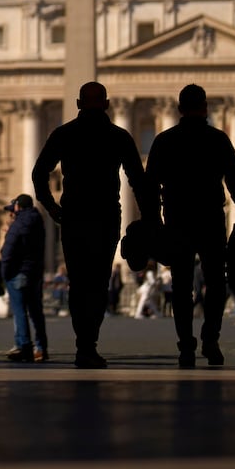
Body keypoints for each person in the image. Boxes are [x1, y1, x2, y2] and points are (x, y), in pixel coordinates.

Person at [32, 80, 155, 368]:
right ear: (108, 105)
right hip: (106, 216)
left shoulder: (64, 134)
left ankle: (83, 344)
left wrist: (51, 206)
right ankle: (90, 343)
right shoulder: (119, 136)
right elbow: (138, 180)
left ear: (77, 105)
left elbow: (39, 174)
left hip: (74, 216)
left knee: (79, 282)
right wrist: (149, 218)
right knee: (99, 282)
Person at [144, 83, 235, 367]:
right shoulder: (217, 139)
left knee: (181, 286)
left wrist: (154, 219)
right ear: (205, 107)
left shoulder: (164, 140)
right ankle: (210, 338)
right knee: (216, 281)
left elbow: (148, 185)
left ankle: (186, 347)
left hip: (177, 219)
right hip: (210, 218)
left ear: (179, 109)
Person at [0, 194, 49, 362]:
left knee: (20, 312)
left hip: (18, 273)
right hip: (34, 272)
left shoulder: (18, 224)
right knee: (36, 312)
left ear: (18, 207)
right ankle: (41, 348)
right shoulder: (39, 222)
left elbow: (8, 251)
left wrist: (5, 272)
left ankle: (24, 346)